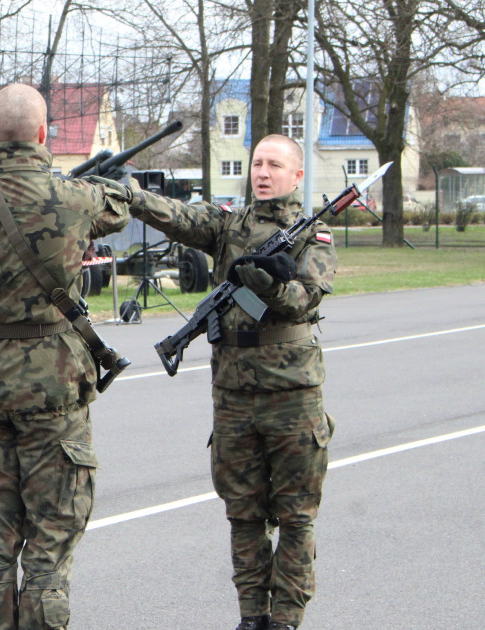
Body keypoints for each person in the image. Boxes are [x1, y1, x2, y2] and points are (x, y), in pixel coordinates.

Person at [0, 84, 130, 630]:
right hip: (54, 389)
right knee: (49, 548)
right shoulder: (75, 199)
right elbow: (120, 210)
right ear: (43, 135)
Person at [122, 134, 335, 630]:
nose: (263, 173)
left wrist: (273, 287)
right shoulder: (228, 226)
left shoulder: (312, 234)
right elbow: (177, 216)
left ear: (296, 176)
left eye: (275, 165)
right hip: (234, 394)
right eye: (258, 163)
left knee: (296, 516)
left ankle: (285, 618)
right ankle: (252, 616)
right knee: (242, 514)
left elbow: (307, 297)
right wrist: (132, 194)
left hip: (292, 395)